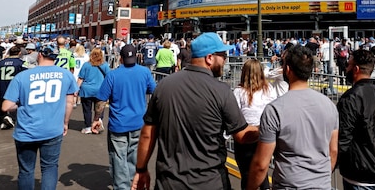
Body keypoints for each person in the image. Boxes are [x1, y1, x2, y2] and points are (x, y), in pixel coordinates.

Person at [132, 32, 258, 189]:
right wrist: (269, 127)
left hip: (169, 183)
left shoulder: (164, 86)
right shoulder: (222, 91)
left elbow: (147, 133)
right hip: (211, 182)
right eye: (223, 55)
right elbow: (242, 135)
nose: (225, 59)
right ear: (209, 58)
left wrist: (141, 169)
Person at [247, 45, 339, 189]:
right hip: (322, 185)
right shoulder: (329, 105)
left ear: (288, 70)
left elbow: (261, 164)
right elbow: (333, 151)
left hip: (289, 185)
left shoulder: (274, 110)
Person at [1, 45, 78, 189]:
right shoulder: (66, 74)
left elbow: (6, 106)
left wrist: (20, 103)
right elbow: (69, 102)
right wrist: (65, 122)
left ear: (40, 55)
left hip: (26, 130)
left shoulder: (23, 76)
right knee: (49, 167)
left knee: (26, 170)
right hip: (53, 129)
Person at [91, 44, 156, 190]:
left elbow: (101, 101)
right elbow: (155, 93)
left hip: (118, 123)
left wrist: (96, 119)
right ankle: (134, 183)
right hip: (139, 122)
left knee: (118, 158)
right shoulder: (145, 72)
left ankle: (122, 187)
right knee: (135, 156)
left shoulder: (113, 75)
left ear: (120, 58)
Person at [337, 49, 375, 189]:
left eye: (349, 65)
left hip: (359, 174)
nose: (346, 68)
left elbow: (342, 139)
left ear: (356, 69)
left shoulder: (350, 98)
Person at [232, 59, 277, 189]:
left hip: (245, 134)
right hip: (264, 134)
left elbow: (235, 114)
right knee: (262, 169)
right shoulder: (269, 89)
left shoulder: (239, 92)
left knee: (246, 173)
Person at [0, 46, 27, 129]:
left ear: (9, 53)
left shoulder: (0, 63)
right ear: (19, 53)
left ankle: (1, 119)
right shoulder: (21, 63)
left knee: (1, 105)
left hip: (2, 87)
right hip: (15, 88)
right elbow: (27, 75)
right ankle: (11, 120)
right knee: (15, 105)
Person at [77, 48, 111, 134]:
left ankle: (88, 126)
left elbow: (80, 78)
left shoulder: (86, 65)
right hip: (100, 90)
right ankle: (97, 123)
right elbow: (109, 78)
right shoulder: (105, 65)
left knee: (87, 109)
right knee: (99, 109)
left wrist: (76, 89)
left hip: (87, 90)